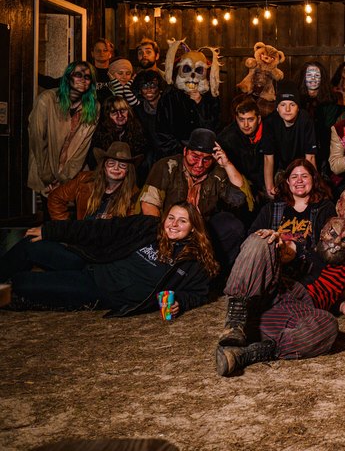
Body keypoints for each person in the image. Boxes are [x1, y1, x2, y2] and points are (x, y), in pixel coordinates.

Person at [215, 161, 345, 376]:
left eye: (305, 176)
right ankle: (235, 322)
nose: (299, 180)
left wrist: (341, 303)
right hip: (268, 284)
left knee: (327, 326)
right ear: (287, 182)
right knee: (260, 240)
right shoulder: (272, 209)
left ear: (313, 180)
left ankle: (250, 352)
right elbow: (248, 246)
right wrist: (275, 244)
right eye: (294, 176)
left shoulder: (324, 210)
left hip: (295, 300)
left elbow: (329, 257)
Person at [1, 201, 218, 316]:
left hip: (98, 289)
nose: (173, 224)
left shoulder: (193, 262)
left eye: (182, 221)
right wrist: (51, 230)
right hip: (92, 262)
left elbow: (198, 293)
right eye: (171, 217)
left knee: (22, 283)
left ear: (193, 229)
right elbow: (102, 229)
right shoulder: (147, 227)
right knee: (31, 245)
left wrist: (180, 301)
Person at [139, 128, 250, 268]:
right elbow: (149, 204)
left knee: (233, 226)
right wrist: (164, 235)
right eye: (195, 157)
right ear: (185, 151)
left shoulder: (217, 173)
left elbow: (239, 199)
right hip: (168, 228)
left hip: (199, 231)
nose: (199, 164)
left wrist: (227, 165)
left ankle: (213, 273)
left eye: (206, 159)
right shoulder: (166, 166)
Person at [28, 61, 100, 197]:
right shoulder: (47, 99)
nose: (83, 80)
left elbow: (83, 147)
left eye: (87, 77)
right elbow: (38, 140)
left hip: (71, 173)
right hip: (45, 171)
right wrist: (48, 176)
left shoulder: (93, 107)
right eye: (78, 75)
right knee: (50, 206)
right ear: (68, 77)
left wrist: (65, 177)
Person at [47, 141, 141, 221]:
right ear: (104, 165)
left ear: (128, 170)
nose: (116, 168)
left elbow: (131, 226)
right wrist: (65, 228)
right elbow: (55, 197)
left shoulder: (134, 194)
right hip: (82, 235)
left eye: (122, 165)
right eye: (111, 163)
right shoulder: (85, 180)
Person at [262, 85, 317, 197]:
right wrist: (269, 188)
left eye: (292, 104)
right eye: (283, 105)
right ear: (277, 108)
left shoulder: (306, 120)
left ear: (298, 107)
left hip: (302, 166)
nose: (287, 109)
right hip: (281, 168)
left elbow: (310, 157)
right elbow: (268, 157)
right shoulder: (270, 122)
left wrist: (314, 185)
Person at [218, 94, 269, 205]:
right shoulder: (227, 138)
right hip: (242, 181)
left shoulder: (270, 130)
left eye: (250, 119)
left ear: (258, 119)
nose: (246, 125)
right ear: (236, 118)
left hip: (266, 181)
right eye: (241, 120)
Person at [297, 61, 342, 175]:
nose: (313, 78)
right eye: (309, 75)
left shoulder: (330, 100)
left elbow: (329, 127)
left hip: (323, 144)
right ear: (303, 77)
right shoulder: (297, 98)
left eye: (317, 75)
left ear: (322, 78)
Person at [89, 95, 149, 174]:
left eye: (123, 111)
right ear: (107, 115)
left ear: (128, 112)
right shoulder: (100, 134)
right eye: (114, 112)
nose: (120, 115)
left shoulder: (137, 131)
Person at [130, 68, 168, 172]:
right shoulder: (137, 111)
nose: (149, 89)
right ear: (140, 90)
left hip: (169, 154)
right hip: (148, 159)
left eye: (153, 85)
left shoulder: (169, 107)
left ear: (160, 88)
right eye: (144, 86)